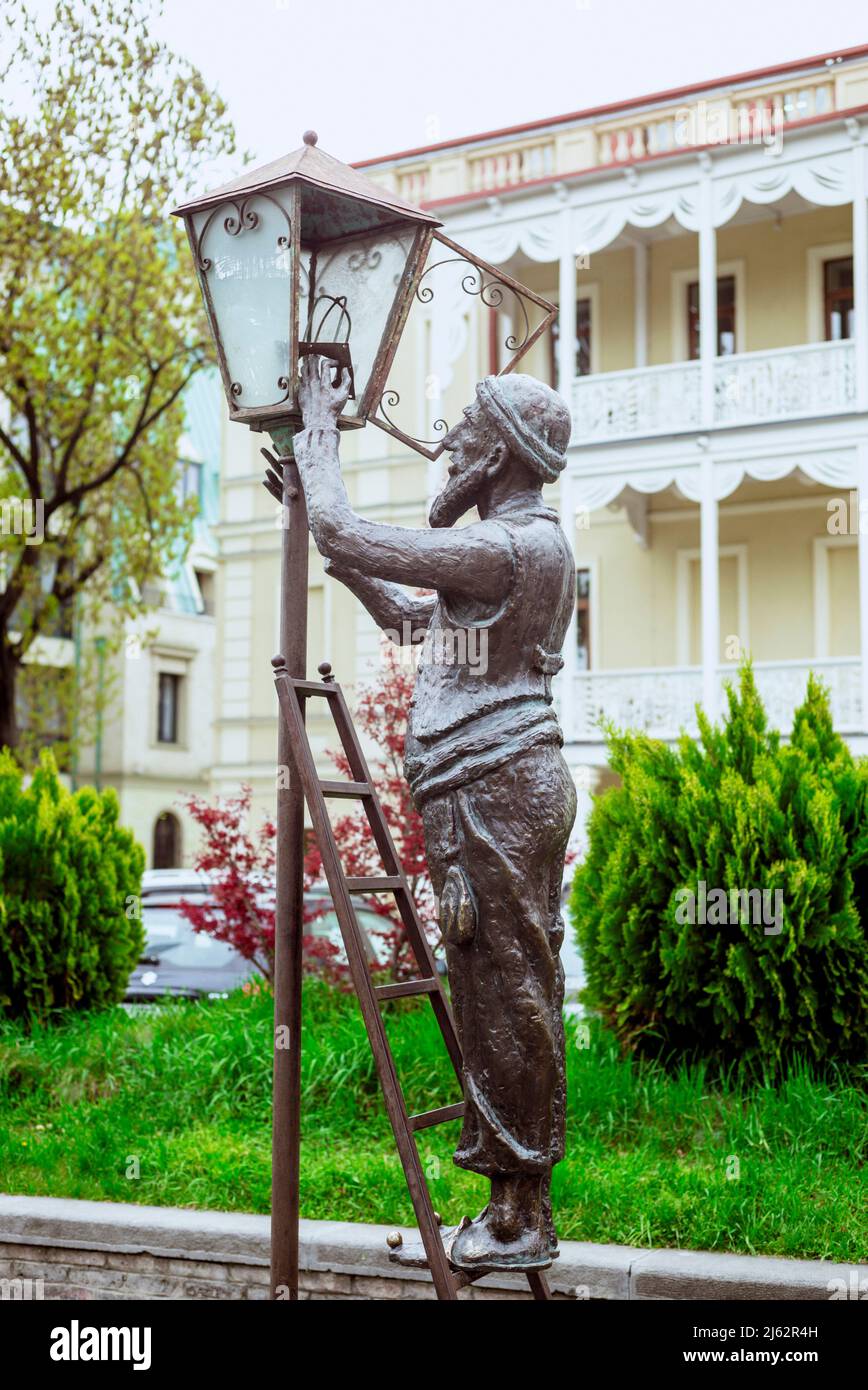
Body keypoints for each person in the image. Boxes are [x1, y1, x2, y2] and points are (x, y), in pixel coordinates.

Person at [293, 355, 577, 1271]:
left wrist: (320, 429)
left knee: (511, 994)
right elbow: (418, 625)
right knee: (505, 991)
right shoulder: (513, 554)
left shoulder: (506, 548)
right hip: (491, 787)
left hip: (497, 789)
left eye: (462, 427)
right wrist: (322, 518)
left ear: (495, 453)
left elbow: (344, 530)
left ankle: (519, 1215)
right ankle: (509, 1207)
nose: (447, 441)